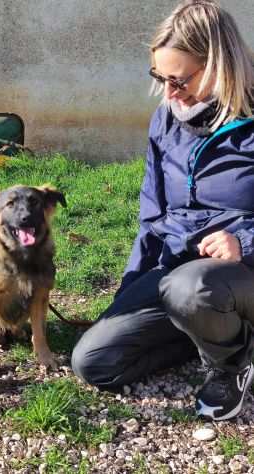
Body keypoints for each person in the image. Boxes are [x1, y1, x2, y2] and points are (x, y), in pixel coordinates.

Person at [71, 0, 254, 421]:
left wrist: (242, 241)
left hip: (238, 274)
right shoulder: (166, 119)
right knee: (94, 360)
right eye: (159, 77)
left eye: (179, 80)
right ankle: (208, 331)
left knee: (193, 288)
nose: (169, 93)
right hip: (177, 273)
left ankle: (232, 365)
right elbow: (152, 218)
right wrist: (129, 288)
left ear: (218, 65)